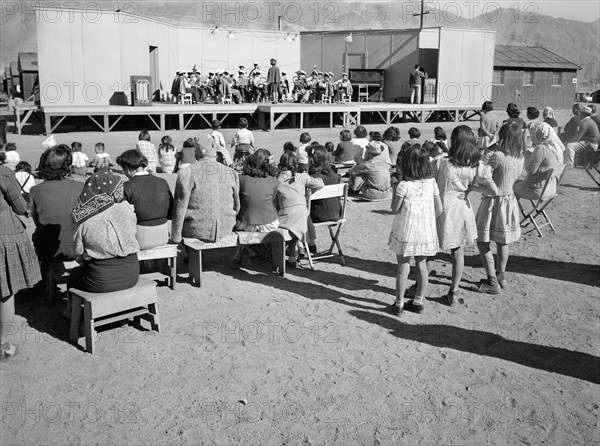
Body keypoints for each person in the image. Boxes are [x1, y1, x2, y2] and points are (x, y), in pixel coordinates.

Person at [434, 126, 497, 305]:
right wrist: (471, 188)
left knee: (432, 249)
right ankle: (453, 292)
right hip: (462, 208)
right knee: (458, 251)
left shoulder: (442, 162)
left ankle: (418, 287)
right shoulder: (477, 166)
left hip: (444, 207)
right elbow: (493, 190)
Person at [388, 145, 442, 316]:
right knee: (422, 267)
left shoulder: (404, 186)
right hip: (424, 231)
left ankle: (399, 304)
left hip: (406, 230)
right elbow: (439, 209)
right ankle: (418, 301)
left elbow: (394, 209)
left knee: (403, 267)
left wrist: (394, 188)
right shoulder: (431, 183)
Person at [69, 169, 140, 293]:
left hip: (100, 280)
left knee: (74, 275)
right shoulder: (127, 209)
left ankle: (71, 311)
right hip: (132, 274)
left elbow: (77, 251)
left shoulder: (82, 217)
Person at [475, 121, 525, 293]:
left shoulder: (497, 155)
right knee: (503, 242)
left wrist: (487, 153)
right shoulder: (520, 156)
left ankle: (491, 280)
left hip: (493, 201)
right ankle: (500, 275)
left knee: (483, 241)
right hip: (509, 200)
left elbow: (482, 174)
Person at [1, 164, 42, 359]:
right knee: (5, 290)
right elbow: (19, 207)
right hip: (4, 233)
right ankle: (3, 344)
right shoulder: (4, 173)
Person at [30, 145, 84, 285]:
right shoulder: (79, 186)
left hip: (49, 246)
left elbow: (37, 221)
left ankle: (45, 283)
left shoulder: (36, 190)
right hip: (79, 243)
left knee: (39, 235)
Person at [170, 135, 239, 245]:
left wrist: (175, 236)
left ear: (196, 151)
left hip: (195, 229)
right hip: (226, 227)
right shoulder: (230, 172)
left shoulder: (187, 173)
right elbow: (237, 205)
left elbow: (180, 207)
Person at [116, 150, 173, 250]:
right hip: (163, 234)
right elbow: (171, 211)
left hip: (140, 237)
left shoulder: (126, 187)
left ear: (128, 169)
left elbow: (123, 218)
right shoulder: (162, 182)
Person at [233, 149, 280, 269]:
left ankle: (242, 252)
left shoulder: (241, 179)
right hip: (269, 223)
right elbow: (272, 199)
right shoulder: (274, 181)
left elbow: (238, 201)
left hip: (246, 223)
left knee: (240, 218)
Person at [276, 152, 324, 267]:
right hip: (302, 216)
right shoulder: (301, 177)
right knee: (300, 216)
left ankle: (293, 256)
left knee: (289, 224)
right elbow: (320, 184)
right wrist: (309, 193)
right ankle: (303, 247)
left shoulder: (276, 181)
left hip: (286, 216)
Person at [513, 122, 564, 201]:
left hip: (537, 191)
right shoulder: (555, 147)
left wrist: (526, 157)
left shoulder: (541, 148)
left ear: (536, 133)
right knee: (519, 182)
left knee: (509, 186)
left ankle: (510, 211)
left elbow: (530, 171)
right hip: (551, 188)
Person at [306, 146, 342, 254]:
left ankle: (310, 244)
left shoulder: (311, 178)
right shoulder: (335, 176)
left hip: (317, 216)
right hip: (336, 215)